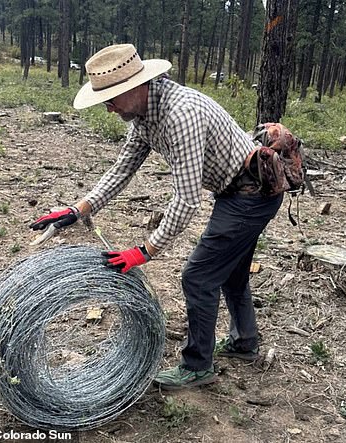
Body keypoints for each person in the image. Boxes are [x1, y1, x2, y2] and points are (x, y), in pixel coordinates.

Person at [30, 44, 283, 390]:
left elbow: (187, 198)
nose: (108, 106)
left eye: (112, 97)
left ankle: (197, 366)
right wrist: (79, 209)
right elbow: (123, 168)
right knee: (230, 271)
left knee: (198, 276)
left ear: (137, 86)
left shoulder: (180, 115)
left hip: (251, 195)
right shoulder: (145, 115)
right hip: (238, 192)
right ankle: (244, 342)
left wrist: (146, 250)